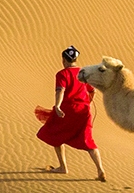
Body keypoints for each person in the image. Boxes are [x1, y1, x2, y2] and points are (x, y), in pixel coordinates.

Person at [36, 46, 106, 180]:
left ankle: (63, 167)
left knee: (55, 134)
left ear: (64, 60)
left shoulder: (62, 74)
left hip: (67, 110)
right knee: (88, 141)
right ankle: (100, 170)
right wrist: (88, 103)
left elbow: (60, 91)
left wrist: (57, 106)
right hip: (84, 111)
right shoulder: (84, 73)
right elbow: (93, 91)